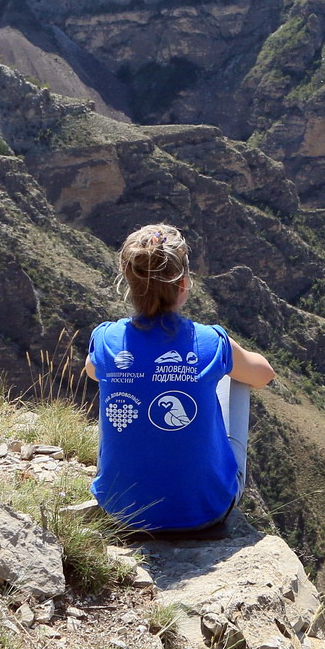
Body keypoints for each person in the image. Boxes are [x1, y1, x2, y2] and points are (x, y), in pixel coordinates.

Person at [84, 224, 276, 535]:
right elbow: (264, 374)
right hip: (206, 511)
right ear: (184, 283)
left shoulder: (106, 337)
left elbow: (92, 371)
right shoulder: (211, 341)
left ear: (129, 283)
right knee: (236, 379)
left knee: (117, 387)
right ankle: (204, 479)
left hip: (120, 510)